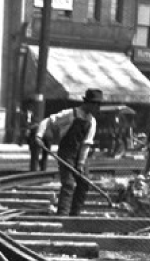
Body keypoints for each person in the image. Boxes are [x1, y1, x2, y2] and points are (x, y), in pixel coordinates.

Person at [36, 88, 102, 217]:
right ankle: (62, 216)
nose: (97, 108)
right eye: (95, 105)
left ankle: (74, 215)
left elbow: (86, 144)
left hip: (80, 155)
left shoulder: (92, 121)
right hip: (67, 153)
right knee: (68, 184)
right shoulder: (71, 114)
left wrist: (81, 164)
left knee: (84, 183)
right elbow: (48, 121)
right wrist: (39, 136)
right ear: (88, 103)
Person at [24, 99, 49, 171]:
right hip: (44, 134)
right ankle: (41, 169)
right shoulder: (34, 114)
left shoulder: (34, 115)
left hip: (37, 135)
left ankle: (34, 170)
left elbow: (30, 126)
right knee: (41, 155)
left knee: (35, 155)